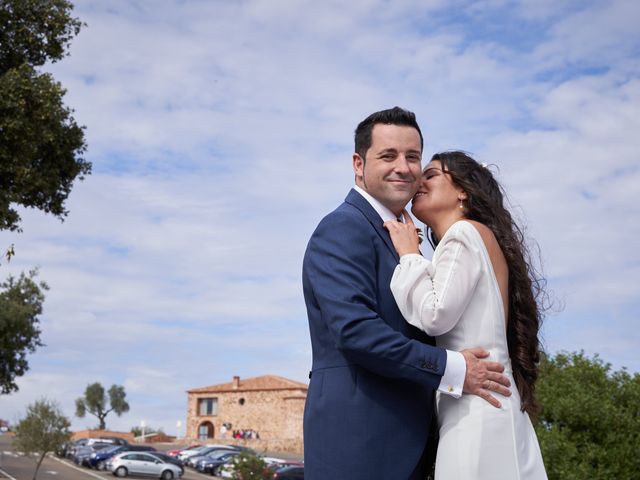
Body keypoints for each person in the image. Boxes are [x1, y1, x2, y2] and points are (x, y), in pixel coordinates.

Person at [302, 108, 512, 480]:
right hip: (360, 445)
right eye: (388, 155)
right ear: (358, 164)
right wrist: (455, 368)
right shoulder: (342, 228)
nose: (403, 167)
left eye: (412, 157)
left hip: (416, 445)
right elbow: (355, 332)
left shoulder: (406, 240)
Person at [384, 151, 548, 479]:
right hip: (490, 404)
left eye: (430, 174)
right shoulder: (477, 236)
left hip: (477, 411)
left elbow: (435, 313)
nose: (419, 181)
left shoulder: (463, 234)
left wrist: (409, 255)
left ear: (463, 190)